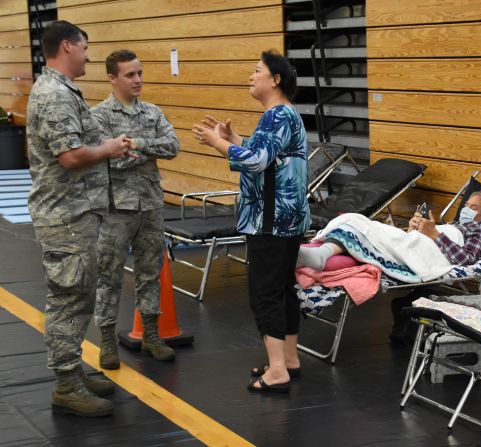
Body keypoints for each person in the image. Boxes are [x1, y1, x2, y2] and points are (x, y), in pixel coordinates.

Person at [26, 20, 136, 417]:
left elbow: (78, 147)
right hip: (65, 217)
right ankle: (66, 384)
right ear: (68, 46)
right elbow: (70, 157)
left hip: (76, 214)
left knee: (79, 295)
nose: (89, 54)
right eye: (86, 47)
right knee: (68, 299)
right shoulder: (54, 94)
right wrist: (107, 148)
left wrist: (108, 148)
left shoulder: (62, 90)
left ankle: (72, 371)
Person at [192, 50, 310, 393]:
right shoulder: (283, 115)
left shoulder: (277, 115)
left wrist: (218, 145)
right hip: (286, 220)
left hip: (270, 222)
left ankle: (277, 371)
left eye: (257, 71)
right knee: (282, 288)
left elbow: (257, 161)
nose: (251, 76)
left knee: (266, 294)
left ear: (275, 80)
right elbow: (270, 156)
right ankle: (288, 359)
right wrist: (233, 141)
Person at [297, 192, 481, 343]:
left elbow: (467, 259)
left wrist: (434, 234)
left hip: (431, 253)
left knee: (360, 222)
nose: (466, 209)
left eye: (473, 207)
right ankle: (322, 254)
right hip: (418, 244)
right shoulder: (454, 223)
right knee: (355, 220)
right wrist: (413, 229)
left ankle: (321, 255)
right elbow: (412, 242)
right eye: (466, 204)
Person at [91, 50, 180, 369]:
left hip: (150, 204)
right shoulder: (99, 116)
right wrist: (125, 150)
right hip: (116, 208)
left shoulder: (153, 112)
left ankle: (152, 335)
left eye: (140, 73)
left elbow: (172, 146)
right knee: (109, 274)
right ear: (112, 78)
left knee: (150, 271)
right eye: (130, 74)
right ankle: (106, 341)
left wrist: (138, 145)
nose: (138, 79)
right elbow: (105, 154)